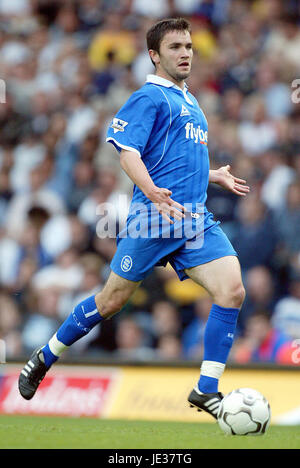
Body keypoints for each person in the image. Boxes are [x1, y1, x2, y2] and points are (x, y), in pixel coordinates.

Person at [18, 18, 249, 420]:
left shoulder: (190, 100)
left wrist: (212, 175)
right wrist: (154, 192)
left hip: (192, 218)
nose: (185, 54)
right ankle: (46, 355)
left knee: (232, 290)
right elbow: (127, 152)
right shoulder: (150, 97)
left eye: (189, 46)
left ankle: (205, 390)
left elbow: (175, 157)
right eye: (175, 47)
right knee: (111, 301)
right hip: (153, 219)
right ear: (154, 55)